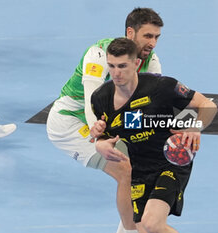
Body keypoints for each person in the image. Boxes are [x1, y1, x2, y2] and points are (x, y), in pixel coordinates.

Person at [46, 8, 164, 233]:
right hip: (70, 123)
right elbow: (93, 99)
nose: (153, 43)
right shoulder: (99, 54)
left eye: (157, 37)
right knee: (125, 170)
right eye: (148, 36)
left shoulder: (152, 62)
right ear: (131, 32)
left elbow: (148, 108)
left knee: (147, 166)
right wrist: (100, 138)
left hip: (107, 123)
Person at [90, 38, 217, 233]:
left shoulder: (162, 87)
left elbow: (207, 105)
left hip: (172, 159)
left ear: (136, 64)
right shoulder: (100, 99)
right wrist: (100, 143)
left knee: (151, 223)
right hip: (140, 168)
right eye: (112, 66)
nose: (116, 73)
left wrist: (195, 126)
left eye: (122, 66)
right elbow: (103, 135)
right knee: (141, 228)